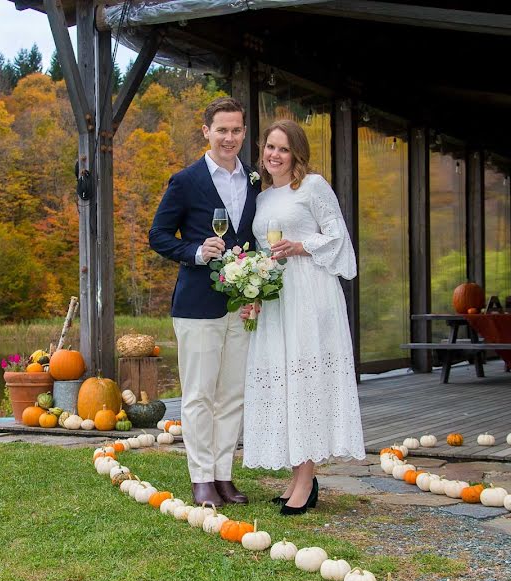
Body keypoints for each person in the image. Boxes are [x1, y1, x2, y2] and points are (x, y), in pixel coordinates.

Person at [241, 119, 365, 515]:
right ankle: (297, 476)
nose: (274, 155)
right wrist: (253, 290)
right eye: (269, 147)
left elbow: (338, 236)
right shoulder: (261, 200)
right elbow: (262, 254)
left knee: (306, 378)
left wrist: (302, 245)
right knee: (285, 382)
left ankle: (307, 479)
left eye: (283, 149)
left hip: (311, 295)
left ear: (296, 153)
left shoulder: (312, 187)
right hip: (277, 300)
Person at [149, 97, 260, 507]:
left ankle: (224, 476)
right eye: (222, 130)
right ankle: (200, 479)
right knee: (198, 395)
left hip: (241, 304)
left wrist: (257, 287)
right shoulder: (186, 180)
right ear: (206, 131)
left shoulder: (253, 179)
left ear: (244, 133)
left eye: (236, 130)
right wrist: (196, 252)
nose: (229, 137)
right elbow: (158, 236)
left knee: (232, 394)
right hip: (197, 304)